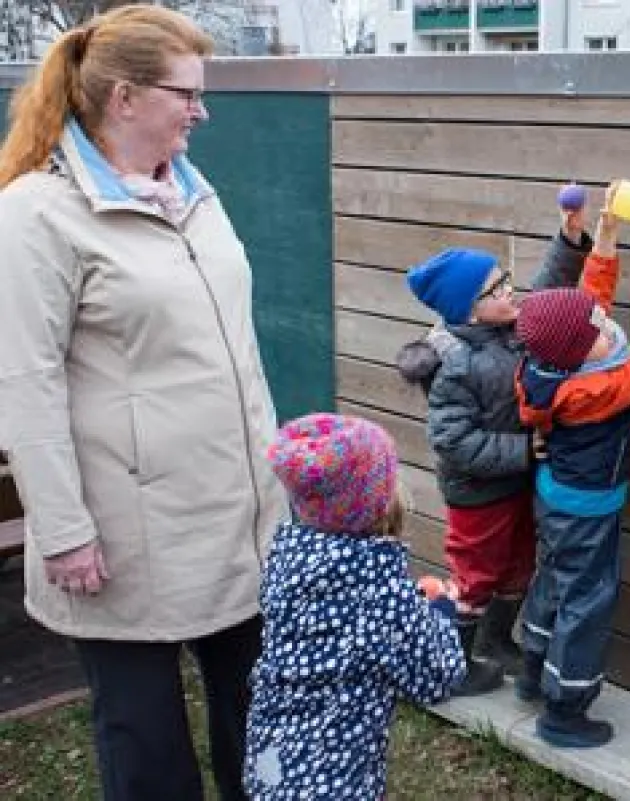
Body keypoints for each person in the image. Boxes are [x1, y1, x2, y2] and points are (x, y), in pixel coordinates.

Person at [0, 7, 288, 800]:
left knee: (259, 724)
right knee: (146, 742)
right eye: (185, 94)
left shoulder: (194, 192)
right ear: (124, 98)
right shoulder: (36, 214)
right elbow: (24, 384)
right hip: (123, 534)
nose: (202, 110)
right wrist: (61, 530)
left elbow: (235, 355)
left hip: (238, 517)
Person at [395, 190, 596, 695]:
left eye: (505, 281)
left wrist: (570, 239)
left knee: (519, 565)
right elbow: (455, 442)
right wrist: (524, 451)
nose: (511, 291)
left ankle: (496, 640)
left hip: (517, 483)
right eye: (497, 289)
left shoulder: (509, 329)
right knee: (476, 576)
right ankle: (454, 661)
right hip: (479, 494)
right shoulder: (454, 364)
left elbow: (549, 296)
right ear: (468, 309)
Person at [513, 188, 630, 748]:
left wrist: (605, 243)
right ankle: (565, 710)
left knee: (553, 581)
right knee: (588, 601)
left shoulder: (553, 362)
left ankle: (532, 669)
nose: (612, 329)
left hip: (555, 498)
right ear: (583, 354)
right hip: (589, 512)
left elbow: (589, 302)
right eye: (604, 333)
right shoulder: (597, 389)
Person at [244, 414, 466, 800]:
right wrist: (441, 613)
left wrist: (409, 605)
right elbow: (436, 677)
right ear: (375, 500)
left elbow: (350, 624)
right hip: (333, 782)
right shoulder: (380, 593)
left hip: (271, 764)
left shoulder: (288, 561)